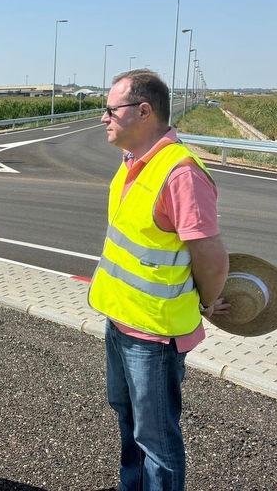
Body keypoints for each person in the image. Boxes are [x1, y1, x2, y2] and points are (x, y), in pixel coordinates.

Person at [88, 69, 230, 491]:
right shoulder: (134, 162)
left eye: (111, 109)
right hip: (120, 321)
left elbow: (211, 256)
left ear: (143, 111)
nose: (103, 117)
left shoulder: (180, 173)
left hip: (154, 335)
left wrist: (207, 302)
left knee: (157, 441)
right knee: (129, 422)